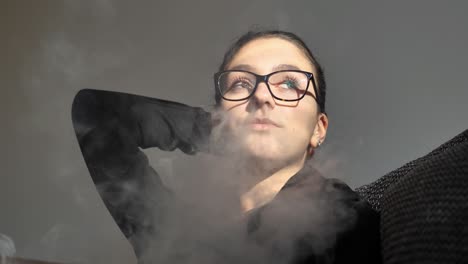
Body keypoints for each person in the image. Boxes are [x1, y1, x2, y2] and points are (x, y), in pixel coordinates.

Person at [71, 30, 381, 263]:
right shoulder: (173, 233)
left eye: (289, 83)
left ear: (318, 129)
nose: (261, 97)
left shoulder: (344, 219)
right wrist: (217, 129)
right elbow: (95, 115)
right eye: (241, 84)